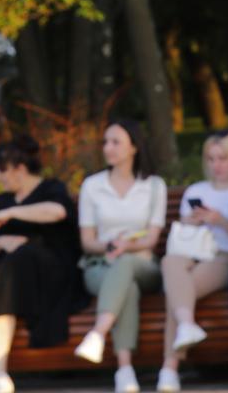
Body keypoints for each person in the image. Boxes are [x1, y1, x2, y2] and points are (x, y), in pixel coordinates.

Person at [0, 135, 85, 393]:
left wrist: (12, 215)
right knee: (9, 265)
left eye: (1, 170)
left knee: (18, 258)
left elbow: (57, 212)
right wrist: (3, 241)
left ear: (19, 168)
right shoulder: (3, 199)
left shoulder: (51, 188)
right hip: (14, 282)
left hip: (53, 278)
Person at [73, 119, 167, 393]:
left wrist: (126, 247)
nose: (108, 148)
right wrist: (110, 246)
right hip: (100, 265)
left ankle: (98, 333)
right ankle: (125, 370)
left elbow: (151, 239)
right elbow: (88, 242)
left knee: (127, 265)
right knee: (129, 288)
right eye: (106, 142)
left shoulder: (154, 185)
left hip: (143, 264)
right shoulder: (92, 185)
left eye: (116, 142)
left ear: (134, 147)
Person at [156, 129, 228, 393]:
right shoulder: (196, 190)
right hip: (193, 252)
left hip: (225, 255)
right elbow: (183, 236)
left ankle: (169, 368)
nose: (216, 165)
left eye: (223, 158)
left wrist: (221, 221)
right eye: (211, 158)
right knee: (170, 262)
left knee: (178, 294)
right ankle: (186, 325)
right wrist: (190, 221)